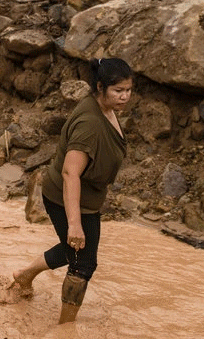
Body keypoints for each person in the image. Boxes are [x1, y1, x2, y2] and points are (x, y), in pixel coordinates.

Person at [8, 57, 134, 324]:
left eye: (128, 90)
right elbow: (70, 173)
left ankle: (24, 274)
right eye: (118, 91)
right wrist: (74, 224)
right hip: (66, 197)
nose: (125, 97)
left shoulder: (106, 109)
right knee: (83, 264)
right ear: (100, 88)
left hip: (85, 197)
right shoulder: (89, 125)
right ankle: (65, 328)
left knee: (73, 250)